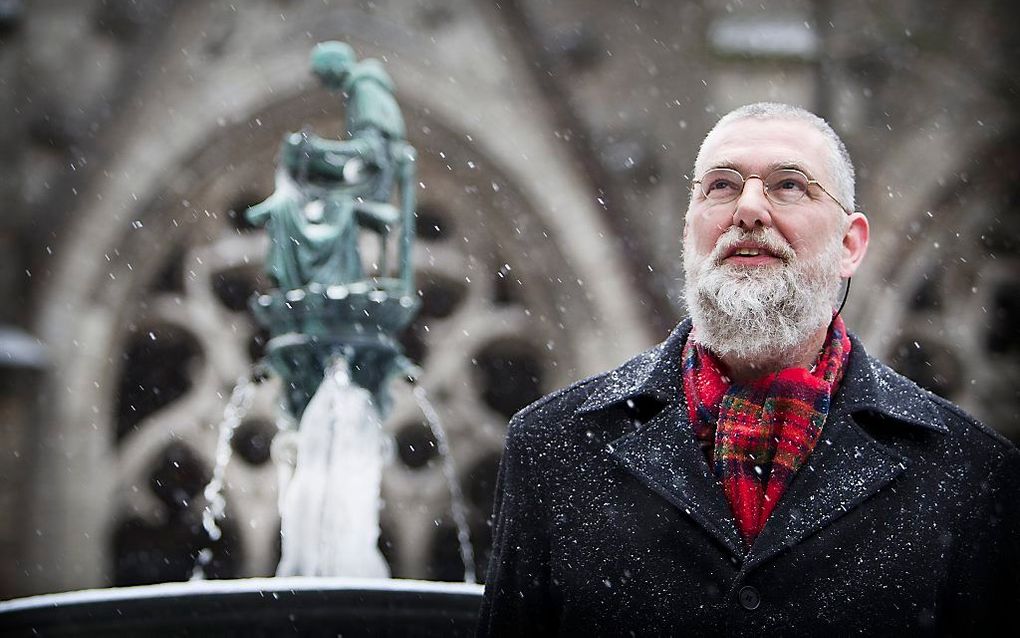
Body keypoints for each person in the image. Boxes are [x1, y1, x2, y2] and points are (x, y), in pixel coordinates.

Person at [477, 103, 1019, 636]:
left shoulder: (969, 474)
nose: (749, 209)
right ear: (689, 230)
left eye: (789, 185)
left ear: (850, 245)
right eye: (721, 185)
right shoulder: (554, 446)